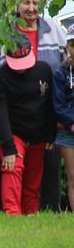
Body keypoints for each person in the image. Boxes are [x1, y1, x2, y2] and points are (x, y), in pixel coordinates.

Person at [11, 0, 67, 211]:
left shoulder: (53, 29)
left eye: (35, 2)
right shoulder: (7, 32)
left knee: (49, 167)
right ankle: (16, 213)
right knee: (17, 169)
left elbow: (65, 64)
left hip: (49, 111)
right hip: (17, 113)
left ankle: (51, 210)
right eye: (26, 2)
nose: (31, 8)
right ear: (16, 5)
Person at [0, 34, 57, 216]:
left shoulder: (44, 70)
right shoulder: (0, 78)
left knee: (33, 179)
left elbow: (50, 103)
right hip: (13, 132)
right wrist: (8, 147)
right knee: (12, 166)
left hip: (39, 134)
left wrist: (51, 132)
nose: (21, 70)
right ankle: (12, 213)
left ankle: (30, 214)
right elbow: (0, 114)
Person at [52, 25, 74, 211]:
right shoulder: (61, 73)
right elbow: (58, 105)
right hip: (68, 131)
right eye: (73, 44)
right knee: (72, 176)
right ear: (67, 46)